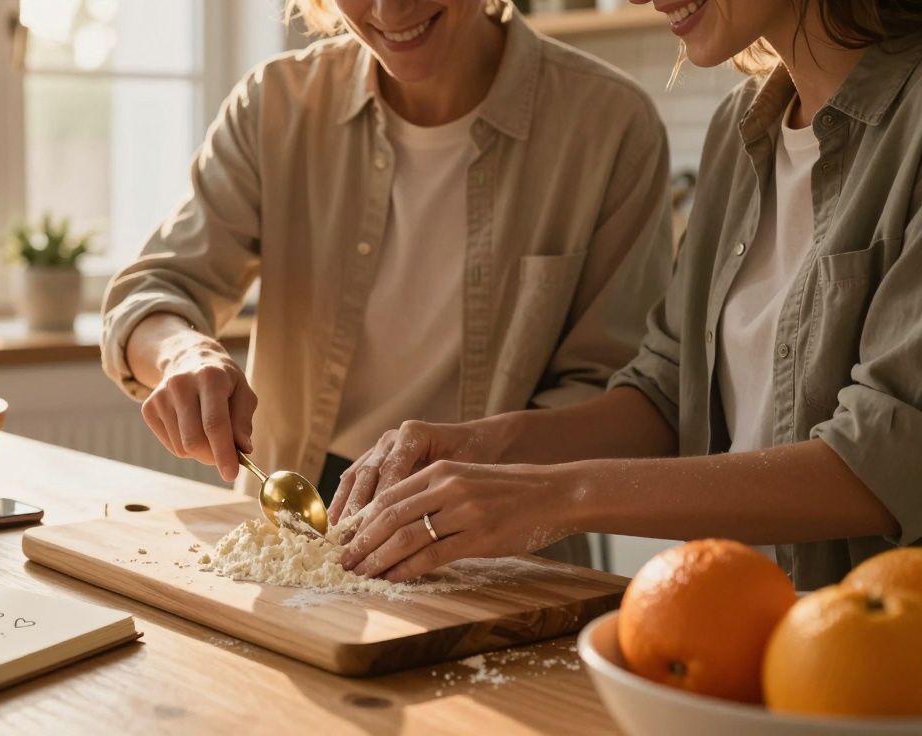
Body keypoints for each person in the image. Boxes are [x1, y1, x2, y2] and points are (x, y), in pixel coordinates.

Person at [335, 0, 922, 588]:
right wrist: (477, 447)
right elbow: (667, 394)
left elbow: (882, 459)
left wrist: (555, 496)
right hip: (732, 637)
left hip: (869, 659)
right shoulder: (739, 128)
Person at [100, 0, 675, 564]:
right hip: (291, 528)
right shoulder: (275, 103)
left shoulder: (610, 124)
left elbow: (631, 404)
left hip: (504, 539)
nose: (389, 7)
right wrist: (183, 354)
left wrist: (473, 459)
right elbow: (154, 291)